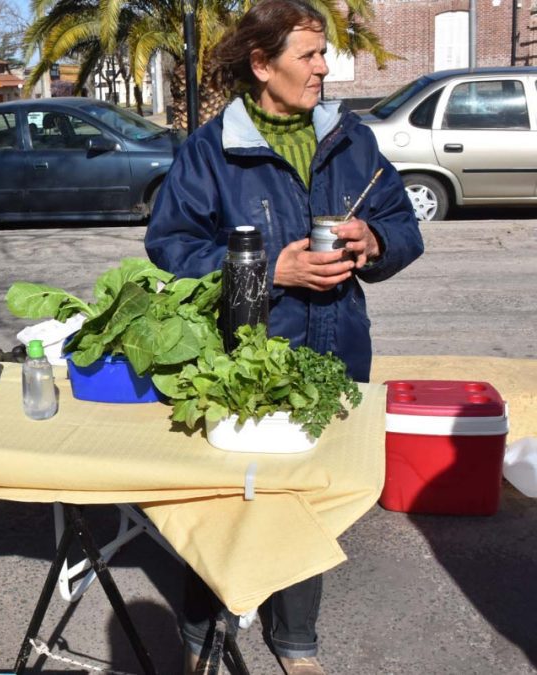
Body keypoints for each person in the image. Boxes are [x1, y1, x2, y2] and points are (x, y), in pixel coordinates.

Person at [144, 1, 424, 673]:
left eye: (324, 53)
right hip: (243, 358)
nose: (325, 68)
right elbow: (170, 247)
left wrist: (374, 238)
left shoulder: (351, 141)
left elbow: (406, 227)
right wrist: (272, 268)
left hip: (336, 350)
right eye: (309, 55)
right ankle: (197, 630)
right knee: (224, 496)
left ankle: (296, 640)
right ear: (263, 66)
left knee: (307, 499)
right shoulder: (211, 152)